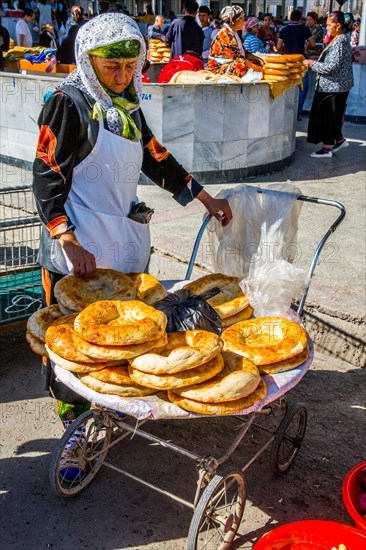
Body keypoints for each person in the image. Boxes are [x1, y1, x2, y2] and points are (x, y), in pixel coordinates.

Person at [32, 12, 232, 470]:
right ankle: (74, 433)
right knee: (70, 346)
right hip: (75, 249)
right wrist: (66, 238)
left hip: (119, 242)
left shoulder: (127, 106)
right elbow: (46, 173)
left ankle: (111, 408)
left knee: (119, 340)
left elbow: (156, 158)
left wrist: (205, 197)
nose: (122, 77)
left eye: (130, 68)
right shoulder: (68, 104)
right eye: (112, 68)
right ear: (89, 60)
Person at [303, 11, 353, 158]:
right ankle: (339, 139)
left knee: (327, 117)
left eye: (329, 25)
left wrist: (313, 64)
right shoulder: (340, 39)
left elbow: (332, 67)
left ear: (338, 26)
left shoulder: (339, 41)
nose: (327, 28)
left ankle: (326, 148)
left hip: (333, 86)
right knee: (333, 117)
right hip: (336, 85)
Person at [277, 9, 315, 121]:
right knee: (303, 87)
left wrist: (286, 49)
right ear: (300, 19)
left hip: (288, 61)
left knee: (287, 86)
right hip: (300, 61)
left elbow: (278, 47)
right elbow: (313, 43)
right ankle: (298, 111)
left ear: (290, 18)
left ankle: (286, 110)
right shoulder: (304, 29)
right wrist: (306, 45)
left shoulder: (284, 30)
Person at [208, 5, 263, 77]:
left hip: (231, 62)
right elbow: (239, 58)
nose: (244, 22)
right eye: (242, 19)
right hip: (218, 67)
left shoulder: (234, 33)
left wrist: (258, 59)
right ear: (236, 21)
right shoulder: (225, 35)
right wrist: (260, 70)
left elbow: (244, 52)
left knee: (254, 62)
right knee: (241, 67)